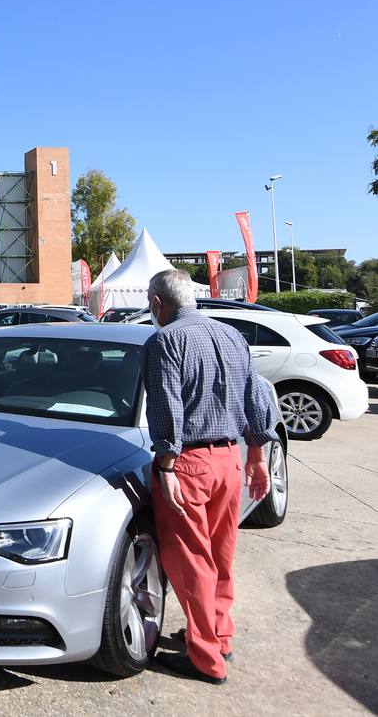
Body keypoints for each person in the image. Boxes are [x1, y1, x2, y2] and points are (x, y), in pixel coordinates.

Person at [142, 268, 274, 684]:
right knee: (219, 555)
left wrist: (165, 465)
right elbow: (256, 395)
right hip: (229, 460)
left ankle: (205, 659)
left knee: (190, 561)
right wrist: (256, 454)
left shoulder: (165, 340)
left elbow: (166, 406)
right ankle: (218, 636)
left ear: (158, 304)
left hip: (190, 464)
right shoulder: (232, 336)